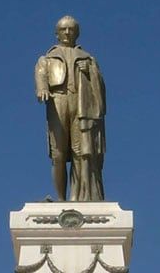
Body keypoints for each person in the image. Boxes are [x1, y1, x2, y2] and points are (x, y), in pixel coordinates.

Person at [34, 15, 106, 201]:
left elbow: (100, 87)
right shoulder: (47, 58)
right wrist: (42, 88)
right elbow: (41, 75)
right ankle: (61, 199)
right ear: (56, 33)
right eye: (63, 29)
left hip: (80, 104)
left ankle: (76, 196)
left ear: (77, 33)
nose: (67, 33)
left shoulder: (87, 58)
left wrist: (90, 72)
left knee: (79, 151)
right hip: (58, 100)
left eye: (71, 29)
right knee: (58, 153)